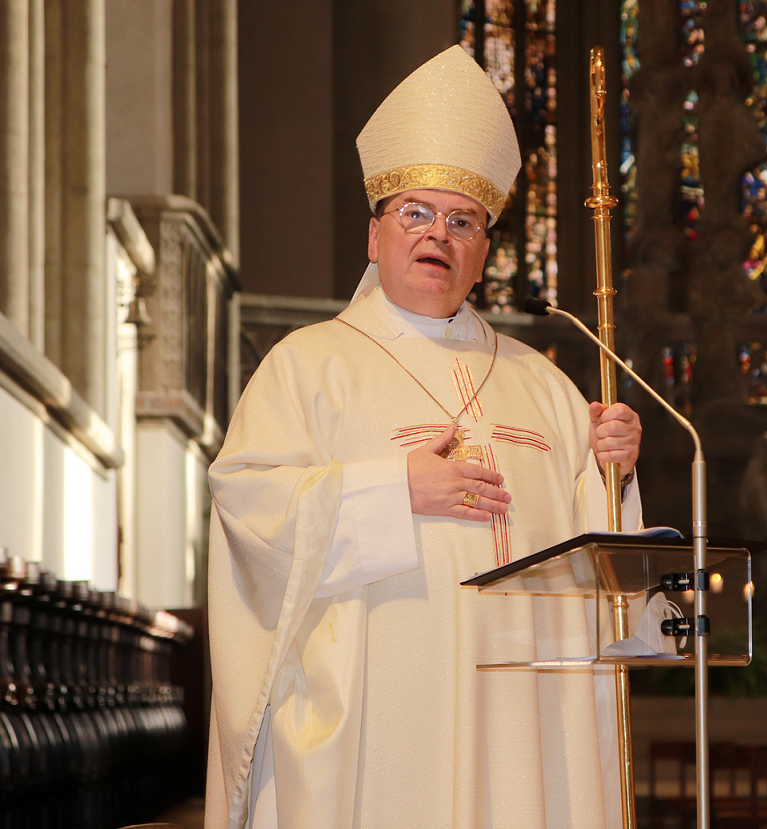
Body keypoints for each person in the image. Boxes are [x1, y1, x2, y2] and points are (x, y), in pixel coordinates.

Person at [205, 45, 643, 829]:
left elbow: (609, 580)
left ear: (482, 253)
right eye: (415, 213)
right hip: (380, 731)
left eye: (462, 221)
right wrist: (392, 489)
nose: (437, 234)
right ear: (375, 236)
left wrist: (615, 470)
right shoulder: (308, 365)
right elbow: (249, 508)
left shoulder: (545, 384)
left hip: (528, 718)